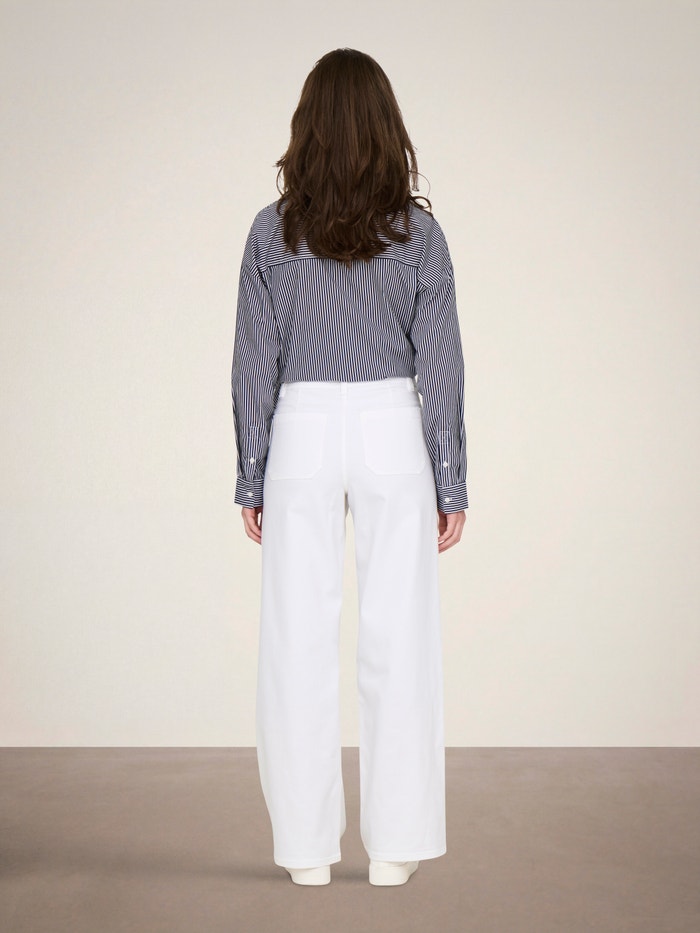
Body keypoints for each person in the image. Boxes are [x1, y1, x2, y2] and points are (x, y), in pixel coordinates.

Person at [230, 48, 468, 887]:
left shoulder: (271, 231)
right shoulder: (419, 235)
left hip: (299, 428)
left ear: (308, 129)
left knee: (295, 640)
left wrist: (252, 471)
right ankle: (395, 848)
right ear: (385, 127)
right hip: (392, 427)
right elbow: (441, 362)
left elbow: (253, 359)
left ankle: (305, 851)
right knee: (400, 638)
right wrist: (450, 476)